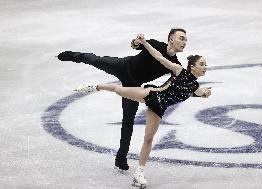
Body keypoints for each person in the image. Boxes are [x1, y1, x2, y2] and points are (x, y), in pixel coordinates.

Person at [75, 34, 211, 187]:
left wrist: (205, 92)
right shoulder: (179, 70)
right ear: (193, 67)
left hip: (159, 108)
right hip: (152, 95)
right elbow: (160, 57)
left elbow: (199, 92)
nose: (205, 67)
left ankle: (139, 173)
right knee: (120, 90)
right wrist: (145, 43)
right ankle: (95, 86)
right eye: (202, 64)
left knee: (148, 139)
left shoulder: (194, 87)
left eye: (205, 64)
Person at [57, 28, 188, 172]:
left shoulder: (175, 65)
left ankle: (121, 157)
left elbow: (169, 86)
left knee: (128, 121)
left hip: (133, 85)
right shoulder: (156, 45)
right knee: (94, 59)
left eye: (185, 40)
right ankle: (75, 55)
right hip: (122, 66)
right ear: (171, 39)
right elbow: (135, 45)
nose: (184, 42)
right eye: (181, 38)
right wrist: (136, 41)